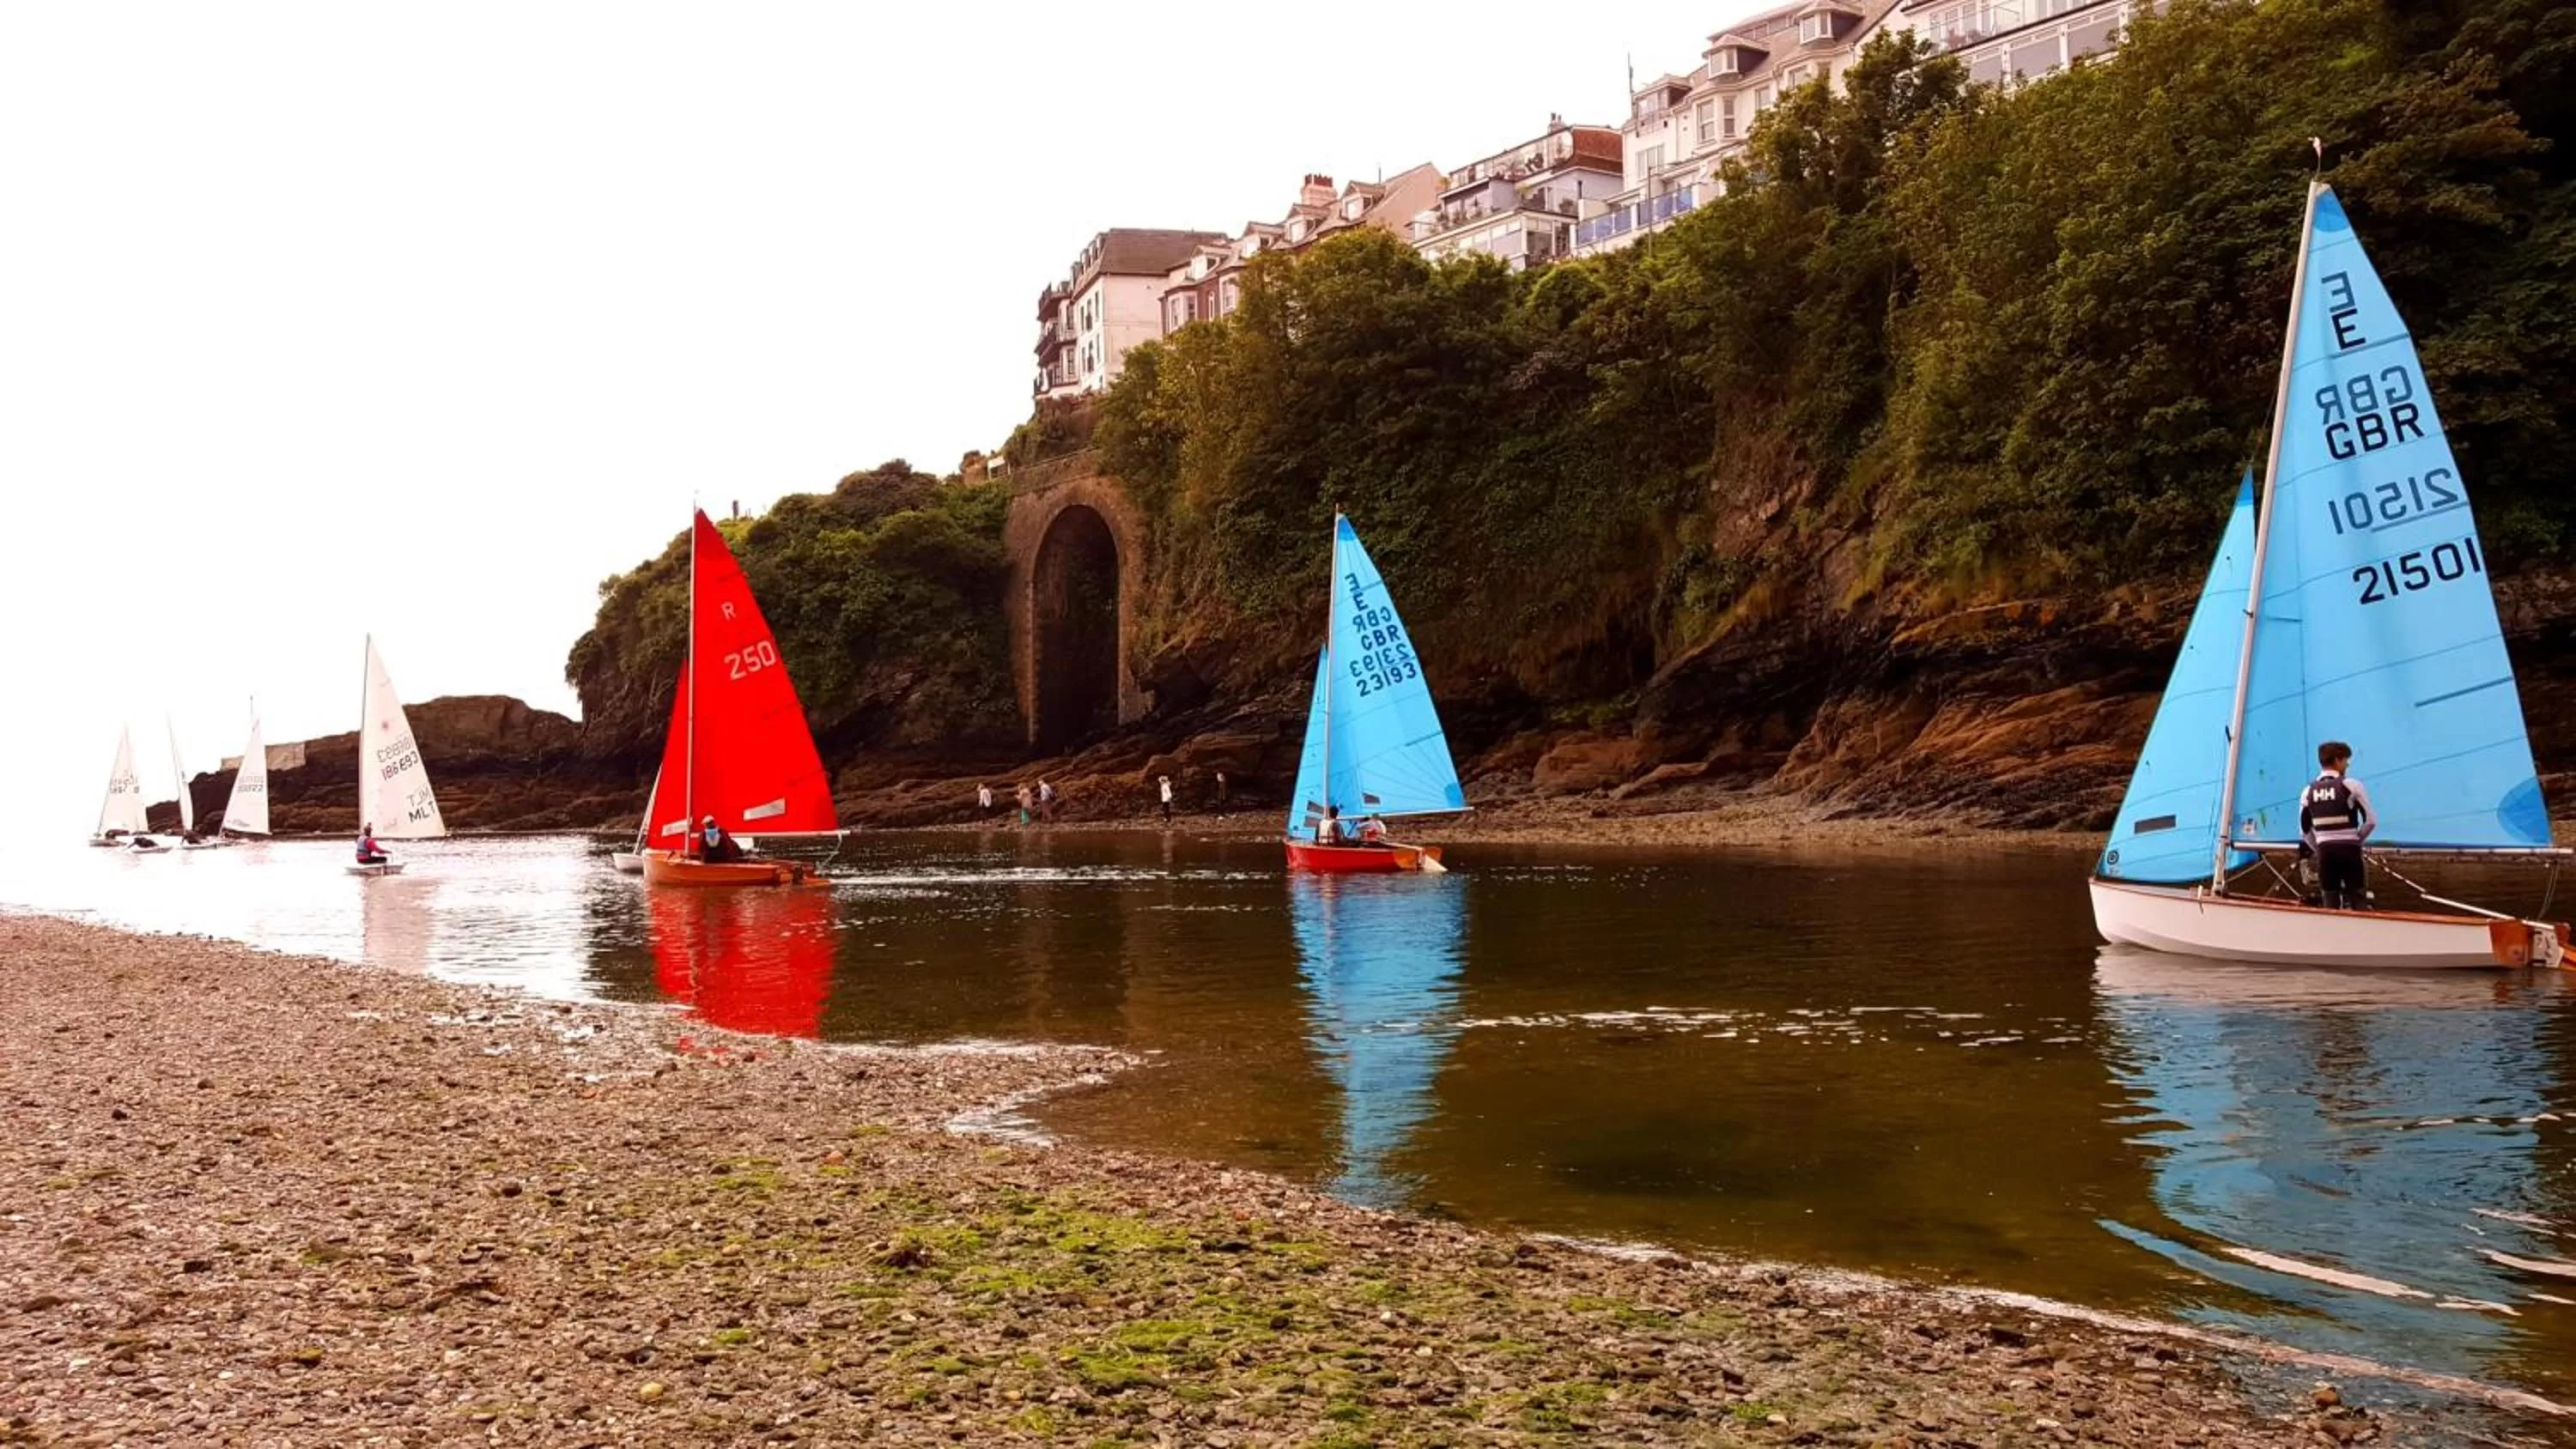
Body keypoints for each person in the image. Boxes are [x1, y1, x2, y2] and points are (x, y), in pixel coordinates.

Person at [2300, 740, 2375, 910]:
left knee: (2329, 903)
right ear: (2338, 761)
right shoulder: (2351, 785)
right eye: (2346, 760)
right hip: (2350, 851)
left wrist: (2320, 847)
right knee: (2358, 901)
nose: (2347, 764)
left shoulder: (2308, 791)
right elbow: (2370, 821)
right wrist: (2356, 840)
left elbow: (2304, 830)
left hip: (2326, 853)